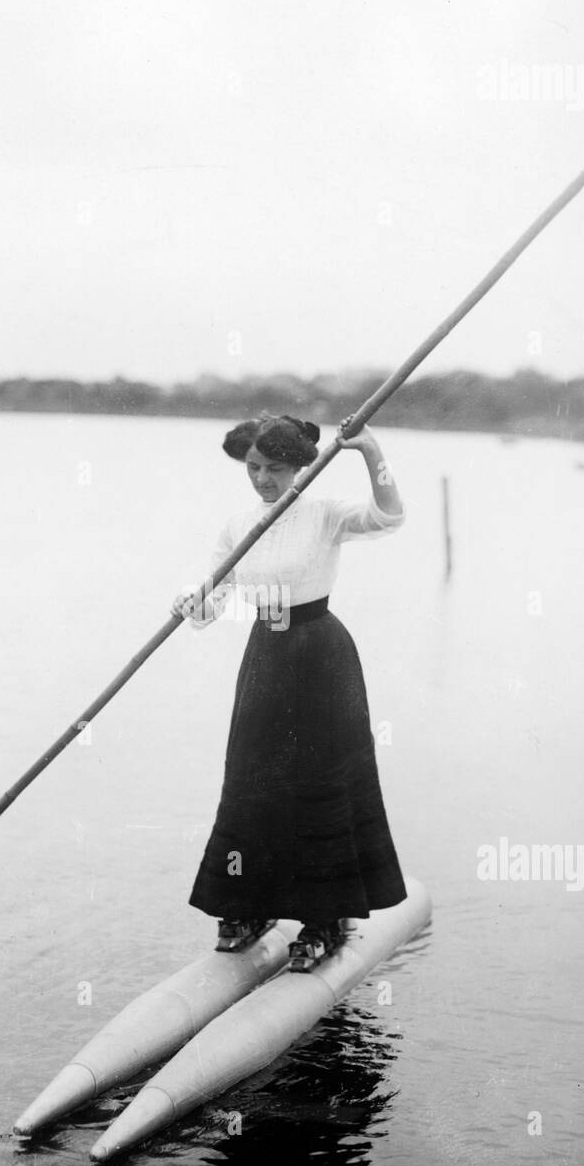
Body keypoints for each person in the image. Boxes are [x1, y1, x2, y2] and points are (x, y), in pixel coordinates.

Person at [172, 412, 407, 972]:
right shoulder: (238, 526)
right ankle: (249, 907)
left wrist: (370, 451)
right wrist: (189, 603)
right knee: (252, 781)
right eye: (254, 468)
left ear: (299, 465)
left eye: (275, 468)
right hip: (267, 659)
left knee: (320, 783)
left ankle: (325, 919)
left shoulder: (324, 515)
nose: (262, 479)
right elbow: (212, 601)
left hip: (321, 657)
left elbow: (389, 516)